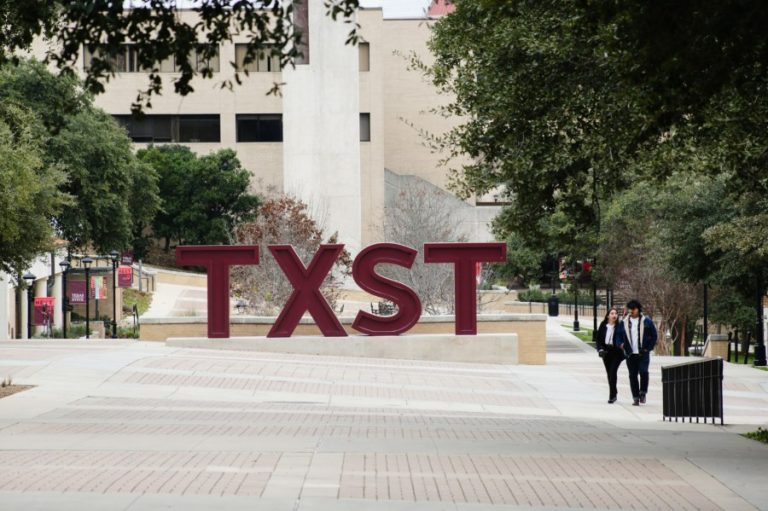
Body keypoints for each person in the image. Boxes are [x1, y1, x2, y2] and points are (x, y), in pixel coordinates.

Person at [616, 299, 657, 406]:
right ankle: (635, 397)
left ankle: (643, 392)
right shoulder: (624, 322)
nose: (631, 311)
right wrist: (621, 345)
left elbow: (654, 336)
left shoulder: (647, 321)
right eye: (630, 309)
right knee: (632, 375)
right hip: (630, 353)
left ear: (638, 309)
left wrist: (648, 348)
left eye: (633, 309)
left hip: (643, 353)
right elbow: (618, 336)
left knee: (644, 372)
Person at [596, 307, 623, 403]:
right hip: (606, 353)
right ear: (608, 315)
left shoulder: (620, 326)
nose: (614, 315)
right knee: (609, 374)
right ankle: (614, 391)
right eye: (612, 313)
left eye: (615, 313)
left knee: (612, 372)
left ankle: (612, 396)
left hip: (616, 352)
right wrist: (600, 349)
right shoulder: (603, 325)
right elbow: (598, 339)